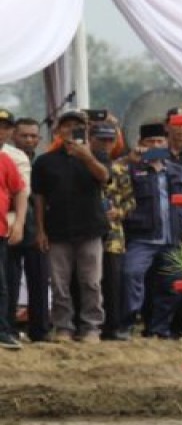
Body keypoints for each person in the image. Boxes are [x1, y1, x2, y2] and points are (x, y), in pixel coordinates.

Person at [31, 110, 109, 343]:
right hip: (57, 230)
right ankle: (63, 327)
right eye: (66, 126)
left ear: (86, 130)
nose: (71, 129)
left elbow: (104, 177)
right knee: (59, 283)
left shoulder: (97, 154)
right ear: (57, 131)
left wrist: (86, 157)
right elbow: (39, 197)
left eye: (77, 126)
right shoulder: (45, 161)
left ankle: (92, 327)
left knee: (91, 282)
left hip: (90, 229)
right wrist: (40, 229)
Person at [122, 123, 182, 340]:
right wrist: (130, 160)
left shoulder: (176, 170)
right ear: (141, 145)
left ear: (166, 143)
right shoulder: (131, 169)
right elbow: (112, 180)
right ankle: (128, 324)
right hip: (142, 237)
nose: (155, 145)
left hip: (172, 237)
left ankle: (159, 328)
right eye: (150, 142)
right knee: (131, 275)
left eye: (159, 142)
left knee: (172, 285)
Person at [95, 124, 136, 341]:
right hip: (87, 231)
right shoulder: (85, 165)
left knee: (113, 281)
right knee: (88, 280)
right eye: (101, 139)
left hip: (113, 234)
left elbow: (131, 203)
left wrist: (118, 212)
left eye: (110, 140)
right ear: (91, 140)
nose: (106, 144)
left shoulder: (120, 170)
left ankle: (114, 327)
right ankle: (89, 326)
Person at [6, 117, 46, 342]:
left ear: (39, 139)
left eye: (33, 136)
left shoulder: (44, 162)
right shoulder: (7, 159)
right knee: (10, 280)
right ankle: (8, 328)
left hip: (38, 229)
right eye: (24, 135)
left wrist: (42, 229)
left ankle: (40, 331)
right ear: (14, 136)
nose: (29, 140)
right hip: (12, 225)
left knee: (39, 280)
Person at [0, 148, 26, 349]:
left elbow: (19, 191)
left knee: (1, 286)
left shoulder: (5, 160)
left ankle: (2, 331)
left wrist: (18, 223)